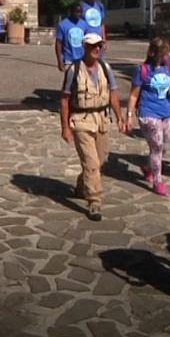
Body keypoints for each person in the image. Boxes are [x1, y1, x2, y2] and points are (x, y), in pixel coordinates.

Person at [60, 33, 126, 221]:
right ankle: (94, 201)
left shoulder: (105, 68)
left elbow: (113, 93)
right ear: (85, 48)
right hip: (81, 120)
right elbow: (64, 100)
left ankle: (82, 185)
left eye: (99, 46)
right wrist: (65, 127)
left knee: (99, 161)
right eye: (92, 46)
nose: (96, 49)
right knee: (91, 163)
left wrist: (119, 117)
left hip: (102, 119)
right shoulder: (74, 70)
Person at [126, 37, 170, 196]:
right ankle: (158, 181)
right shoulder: (142, 70)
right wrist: (129, 115)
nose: (169, 55)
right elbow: (134, 95)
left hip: (167, 112)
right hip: (149, 113)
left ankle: (149, 167)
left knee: (165, 145)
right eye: (166, 52)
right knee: (156, 146)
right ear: (157, 53)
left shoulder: (168, 67)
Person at [54, 2, 87, 72]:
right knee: (70, 78)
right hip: (68, 59)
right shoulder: (63, 25)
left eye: (81, 12)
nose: (79, 14)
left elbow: (86, 41)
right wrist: (60, 60)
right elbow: (58, 43)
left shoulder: (84, 24)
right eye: (77, 12)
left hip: (82, 59)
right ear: (71, 11)